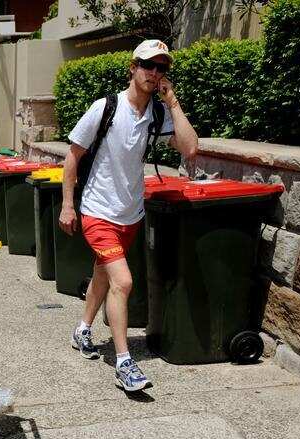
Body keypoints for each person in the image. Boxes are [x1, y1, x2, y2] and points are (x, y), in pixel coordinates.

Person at [58, 39, 199, 392]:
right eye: (148, 65)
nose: (154, 73)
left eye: (161, 68)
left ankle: (82, 330)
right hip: (98, 211)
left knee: (103, 277)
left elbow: (190, 148)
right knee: (123, 282)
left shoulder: (159, 113)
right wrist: (67, 204)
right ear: (133, 67)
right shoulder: (106, 107)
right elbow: (73, 155)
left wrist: (173, 101)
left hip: (131, 214)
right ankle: (124, 363)